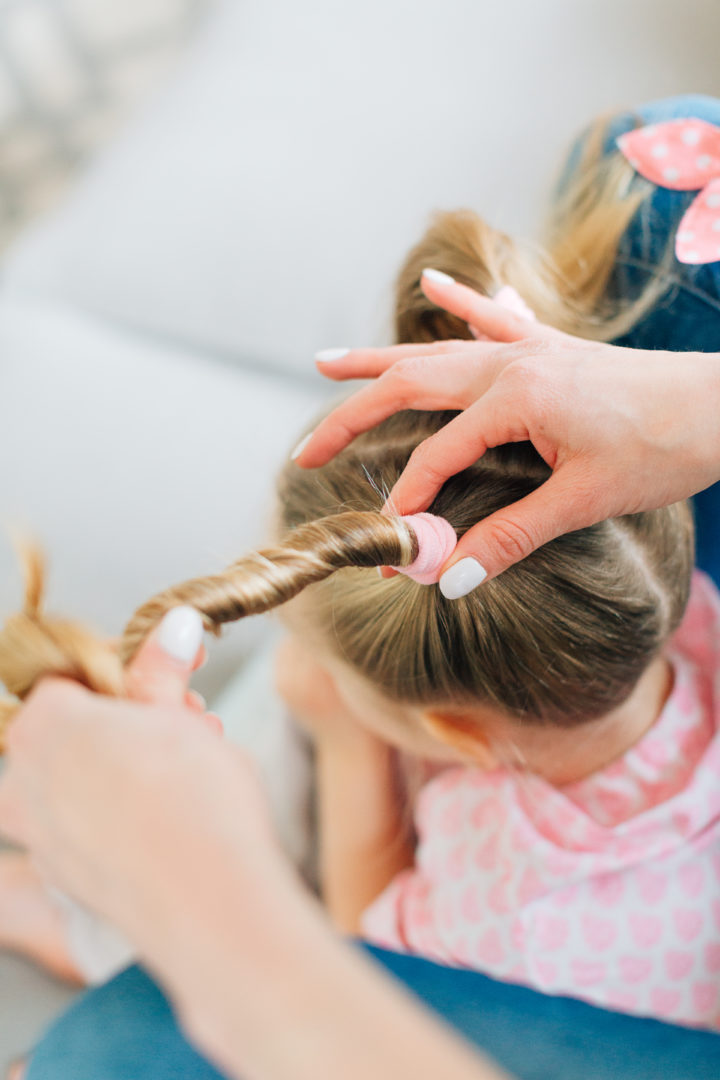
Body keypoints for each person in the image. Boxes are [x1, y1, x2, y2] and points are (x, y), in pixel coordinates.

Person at [3, 93, 720, 1080]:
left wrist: (346, 747)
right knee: (645, 170)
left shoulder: (490, 914)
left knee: (280, 724)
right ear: (664, 571)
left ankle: (65, 921)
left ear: (456, 741)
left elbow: (359, 938)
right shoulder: (691, 627)